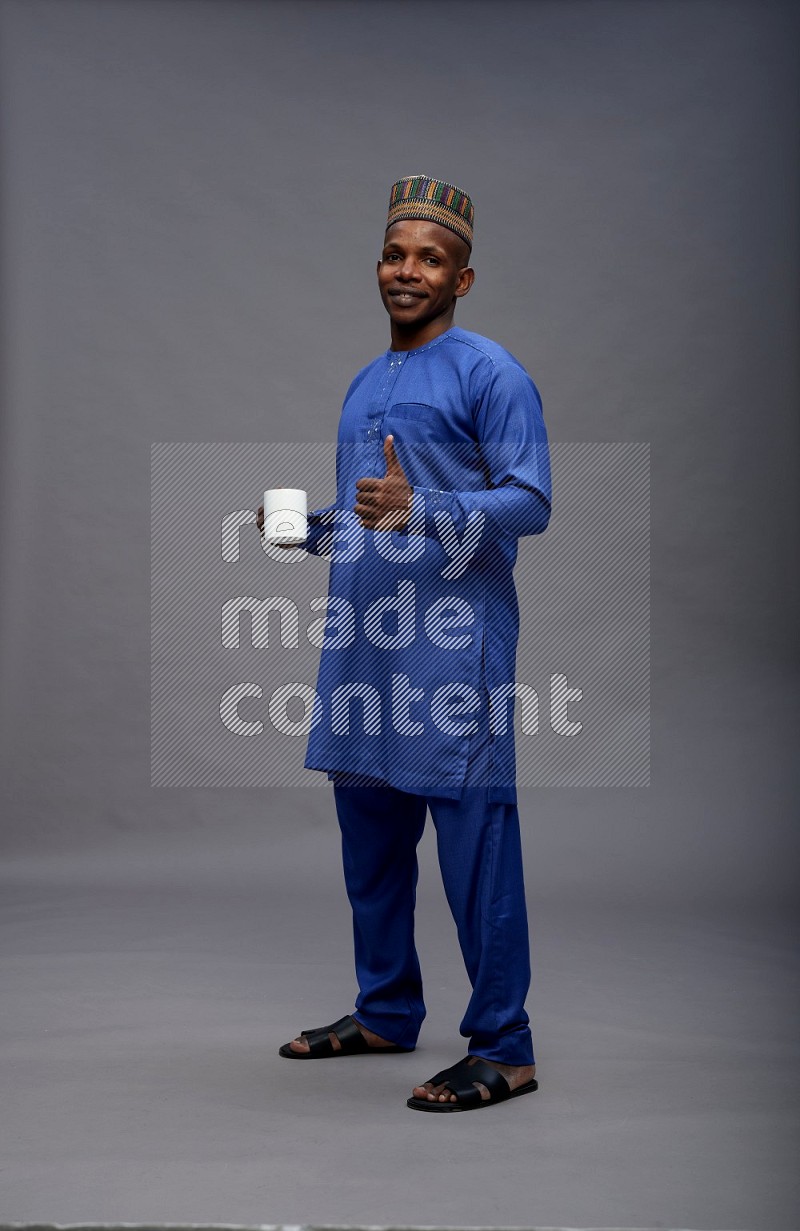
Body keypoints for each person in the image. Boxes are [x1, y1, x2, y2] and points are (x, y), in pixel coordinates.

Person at [259, 175, 551, 1111]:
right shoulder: (364, 382)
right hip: (365, 650)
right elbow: (370, 515)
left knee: (473, 852)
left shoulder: (489, 371)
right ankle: (386, 1007)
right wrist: (306, 524)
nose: (407, 270)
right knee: (370, 846)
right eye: (396, 253)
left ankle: (505, 1047)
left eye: (431, 257)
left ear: (463, 278)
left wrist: (424, 505)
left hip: (451, 655)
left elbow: (530, 501)